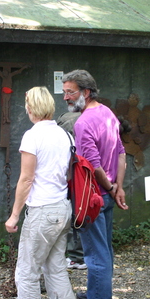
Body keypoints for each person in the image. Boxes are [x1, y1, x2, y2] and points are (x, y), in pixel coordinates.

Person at [2, 86, 75, 299]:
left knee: (27, 268)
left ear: (31, 108)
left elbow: (26, 179)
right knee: (56, 266)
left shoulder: (32, 136)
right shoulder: (65, 135)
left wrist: (14, 215)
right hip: (62, 208)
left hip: (42, 210)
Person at [61, 69, 129, 299]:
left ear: (86, 92)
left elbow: (93, 164)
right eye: (64, 92)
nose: (66, 97)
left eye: (71, 92)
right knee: (105, 248)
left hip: (94, 198)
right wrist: (118, 187)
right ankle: (97, 292)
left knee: (95, 252)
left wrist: (111, 187)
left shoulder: (83, 122)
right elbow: (121, 152)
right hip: (107, 194)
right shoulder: (107, 113)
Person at [57, 111, 87, 270]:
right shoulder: (89, 117)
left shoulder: (66, 119)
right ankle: (79, 256)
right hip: (84, 174)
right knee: (81, 213)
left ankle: (77, 257)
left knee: (75, 215)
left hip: (73, 175)